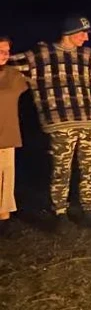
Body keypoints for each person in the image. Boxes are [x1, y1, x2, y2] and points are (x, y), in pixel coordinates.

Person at [9, 16, 91, 230]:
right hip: (59, 122)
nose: (86, 38)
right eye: (83, 33)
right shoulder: (40, 55)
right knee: (61, 169)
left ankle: (88, 210)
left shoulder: (88, 56)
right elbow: (8, 63)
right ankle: (60, 212)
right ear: (69, 33)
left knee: (90, 168)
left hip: (89, 121)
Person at [0, 36, 28, 236]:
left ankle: (4, 217)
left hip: (6, 132)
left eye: (7, 51)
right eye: (0, 50)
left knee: (5, 176)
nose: (4, 55)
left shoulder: (13, 75)